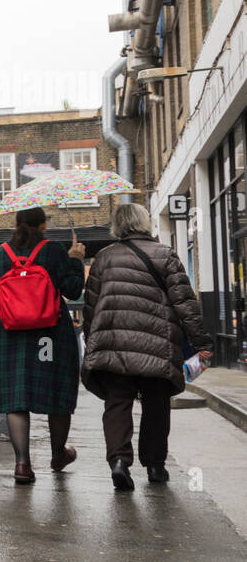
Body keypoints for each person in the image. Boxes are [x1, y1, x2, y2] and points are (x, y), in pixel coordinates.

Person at [82, 203, 212, 490]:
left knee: (117, 403)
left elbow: (90, 308)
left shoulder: (103, 258)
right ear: (144, 223)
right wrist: (202, 343)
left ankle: (118, 461)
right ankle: (154, 466)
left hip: (112, 344)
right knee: (156, 404)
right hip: (156, 343)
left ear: (117, 227)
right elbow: (185, 305)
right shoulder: (165, 254)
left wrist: (93, 340)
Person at [0, 206, 86, 484]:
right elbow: (73, 290)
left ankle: (22, 465)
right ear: (43, 226)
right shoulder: (53, 251)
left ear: (17, 224)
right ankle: (57, 454)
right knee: (57, 392)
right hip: (50, 334)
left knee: (16, 398)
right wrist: (76, 259)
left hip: (11, 333)